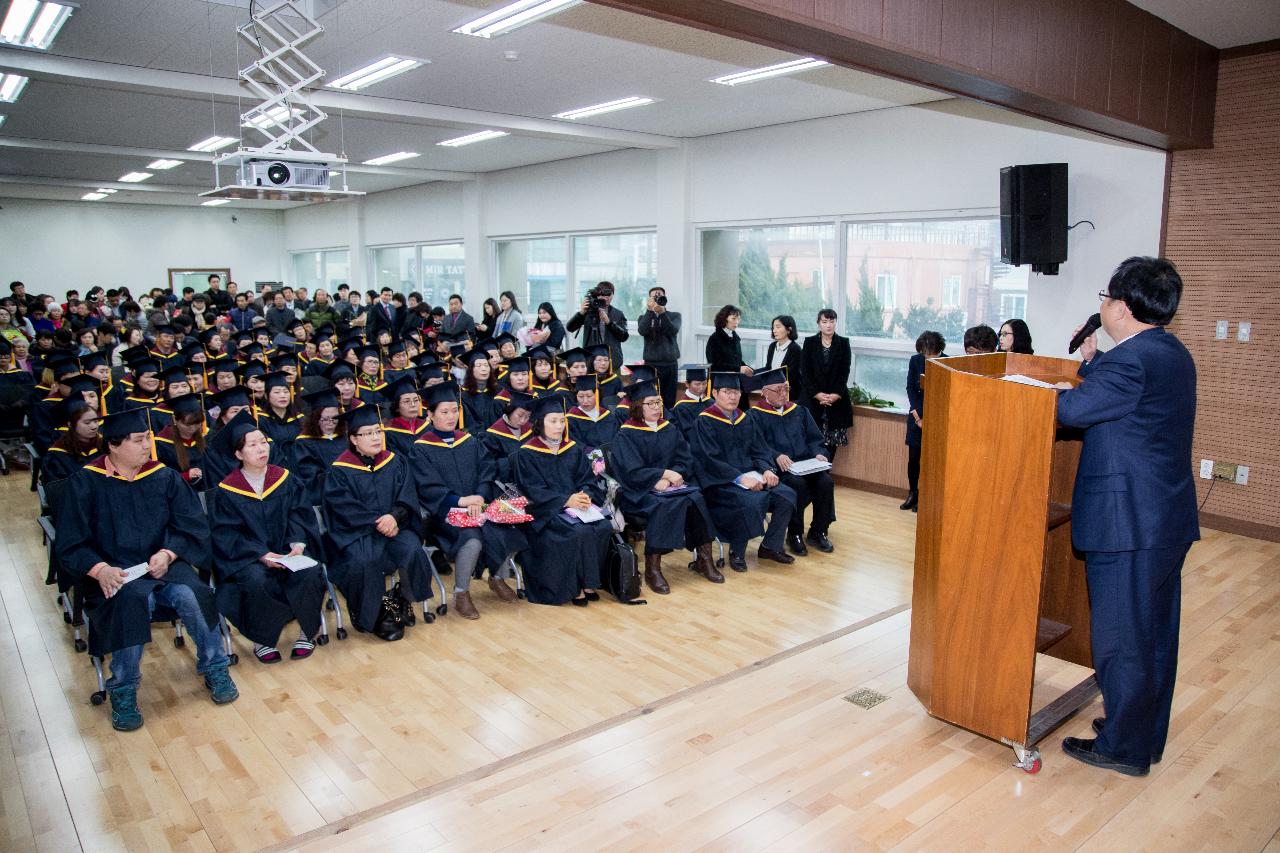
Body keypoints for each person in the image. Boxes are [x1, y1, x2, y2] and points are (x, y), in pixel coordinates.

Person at [1055, 257, 1198, 777]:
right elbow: (1118, 402)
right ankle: (1143, 732)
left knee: (1121, 638)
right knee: (1154, 634)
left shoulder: (1131, 360)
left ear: (1118, 305)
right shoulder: (1170, 353)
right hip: (1162, 520)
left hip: (1128, 525)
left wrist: (1049, 392)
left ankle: (1124, 748)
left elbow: (1070, 413)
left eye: (1104, 296)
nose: (1101, 305)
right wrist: (1091, 361)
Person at [55, 407, 237, 731]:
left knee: (194, 593)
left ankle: (215, 666)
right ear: (113, 444)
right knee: (130, 602)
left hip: (162, 566)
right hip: (116, 574)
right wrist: (100, 570)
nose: (146, 447)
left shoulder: (162, 476)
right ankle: (123, 689)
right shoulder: (85, 482)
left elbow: (190, 524)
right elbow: (71, 543)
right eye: (138, 440)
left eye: (147, 439)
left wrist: (168, 553)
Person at [210, 410, 326, 664]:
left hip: (288, 551)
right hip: (249, 557)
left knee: (309, 570)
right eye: (252, 445)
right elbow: (227, 535)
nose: (262, 448)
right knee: (255, 579)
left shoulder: (285, 479)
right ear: (238, 454)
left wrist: (297, 544)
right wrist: (261, 555)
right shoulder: (227, 491)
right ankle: (264, 639)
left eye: (263, 442)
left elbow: (300, 514)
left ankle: (307, 633)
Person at [412, 382, 526, 619]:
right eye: (444, 412)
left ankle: (497, 578)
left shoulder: (470, 441)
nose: (451, 416)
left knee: (507, 526)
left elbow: (487, 471)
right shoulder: (420, 449)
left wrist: (480, 497)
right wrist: (461, 501)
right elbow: (427, 486)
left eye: (455, 410)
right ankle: (461, 593)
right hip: (444, 513)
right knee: (472, 540)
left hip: (477, 505)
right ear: (430, 415)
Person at [323, 405, 431, 640]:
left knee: (413, 551)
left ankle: (402, 599)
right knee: (363, 560)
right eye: (368, 433)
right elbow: (343, 508)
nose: (375, 437)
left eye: (378, 431)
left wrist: (394, 517)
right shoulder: (339, 470)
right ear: (353, 439)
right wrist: (377, 522)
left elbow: (407, 495)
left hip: (396, 525)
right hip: (359, 532)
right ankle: (371, 615)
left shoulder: (395, 461)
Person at [610, 380, 720, 591]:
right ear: (637, 407)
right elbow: (630, 471)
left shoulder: (669, 429)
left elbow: (685, 460)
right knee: (663, 506)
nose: (656, 408)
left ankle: (704, 559)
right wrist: (658, 476)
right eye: (650, 403)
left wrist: (670, 476)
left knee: (696, 498)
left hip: (670, 487)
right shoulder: (626, 434)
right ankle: (653, 568)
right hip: (638, 493)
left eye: (658, 402)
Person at [689, 373, 797, 571]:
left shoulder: (745, 419)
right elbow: (709, 460)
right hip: (720, 483)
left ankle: (769, 547)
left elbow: (760, 450)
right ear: (714, 393)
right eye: (727, 392)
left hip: (752, 478)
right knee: (751, 500)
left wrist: (767, 470)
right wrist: (740, 478)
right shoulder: (704, 422)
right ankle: (737, 551)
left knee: (787, 495)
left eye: (736, 392)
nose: (732, 397)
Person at [512, 394, 612, 606]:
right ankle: (573, 586)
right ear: (540, 423)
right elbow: (532, 492)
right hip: (544, 514)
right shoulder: (527, 454)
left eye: (562, 420)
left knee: (603, 526)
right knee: (578, 532)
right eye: (553, 421)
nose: (559, 426)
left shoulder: (572, 449)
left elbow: (587, 479)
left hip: (576, 508)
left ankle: (588, 582)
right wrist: (566, 500)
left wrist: (585, 495)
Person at [748, 368, 836, 555]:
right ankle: (794, 534)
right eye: (777, 390)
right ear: (764, 392)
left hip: (806, 465)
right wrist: (776, 455)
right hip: (780, 469)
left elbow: (814, 439)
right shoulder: (754, 416)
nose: (783, 393)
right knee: (798, 485)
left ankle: (818, 531)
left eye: (785, 388)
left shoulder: (800, 411)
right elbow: (755, 446)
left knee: (826, 482)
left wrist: (819, 453)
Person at [799, 308, 853, 463]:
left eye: (832, 321)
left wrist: (835, 394)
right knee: (810, 439)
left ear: (836, 322)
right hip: (812, 398)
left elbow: (844, 371)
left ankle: (826, 474)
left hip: (836, 400)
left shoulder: (843, 343)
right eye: (824, 321)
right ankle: (812, 477)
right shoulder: (809, 343)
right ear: (818, 323)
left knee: (831, 442)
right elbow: (805, 371)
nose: (828, 325)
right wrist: (817, 394)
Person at [902, 330, 945, 513]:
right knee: (914, 459)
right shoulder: (915, 360)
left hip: (936, 418)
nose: (927, 358)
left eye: (930, 354)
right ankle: (913, 493)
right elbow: (911, 388)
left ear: (939, 350)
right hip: (916, 417)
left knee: (931, 460)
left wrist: (929, 418)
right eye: (924, 354)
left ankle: (926, 497)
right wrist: (919, 416)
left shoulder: (947, 363)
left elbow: (942, 394)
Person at [291, 388, 347, 506]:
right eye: (325, 419)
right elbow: (311, 477)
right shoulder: (304, 443)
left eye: (335, 418)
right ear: (315, 418)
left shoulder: (346, 437)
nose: (330, 422)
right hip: (325, 500)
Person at [566, 281, 629, 371]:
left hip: (612, 362)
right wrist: (581, 313)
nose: (605, 298)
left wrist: (609, 323)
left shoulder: (618, 314)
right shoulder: (588, 311)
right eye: (602, 295)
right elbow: (570, 328)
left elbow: (624, 337)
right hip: (591, 361)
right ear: (597, 295)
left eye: (608, 295)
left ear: (613, 295)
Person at [153, 393, 209, 490]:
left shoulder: (208, 436)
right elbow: (159, 478)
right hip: (179, 494)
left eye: (197, 424)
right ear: (175, 419)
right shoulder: (161, 444)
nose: (192, 429)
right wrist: (185, 476)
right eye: (187, 425)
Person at [636, 286, 681, 408]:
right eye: (653, 296)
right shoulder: (643, 317)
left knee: (669, 398)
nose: (656, 298)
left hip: (670, 363)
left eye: (659, 295)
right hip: (651, 364)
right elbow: (642, 331)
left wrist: (662, 313)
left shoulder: (675, 316)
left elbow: (672, 331)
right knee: (652, 397)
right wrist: (650, 311)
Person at [42, 397, 103, 484]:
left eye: (96, 421)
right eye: (87, 422)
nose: (94, 426)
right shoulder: (57, 455)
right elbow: (58, 491)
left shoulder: (104, 445)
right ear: (71, 424)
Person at [483, 391, 535, 482]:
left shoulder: (532, 430)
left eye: (527, 416)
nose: (523, 420)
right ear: (510, 410)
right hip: (507, 485)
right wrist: (513, 460)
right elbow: (489, 466)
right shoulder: (492, 435)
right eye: (520, 415)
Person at [565, 375, 618, 452]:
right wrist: (593, 453)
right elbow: (574, 443)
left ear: (597, 395)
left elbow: (615, 438)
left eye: (589, 396)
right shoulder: (571, 419)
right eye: (581, 396)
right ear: (576, 396)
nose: (585, 401)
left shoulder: (607, 415)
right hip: (586, 459)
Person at [382, 374, 428, 455]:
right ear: (397, 407)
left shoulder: (427, 426)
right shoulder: (389, 434)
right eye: (407, 401)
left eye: (416, 400)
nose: (413, 404)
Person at [705, 305, 751, 375]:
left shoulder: (735, 338)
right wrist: (738, 369)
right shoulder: (714, 339)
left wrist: (748, 368)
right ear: (724, 319)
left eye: (738, 319)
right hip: (720, 381)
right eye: (733, 318)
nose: (737, 322)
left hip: (735, 379)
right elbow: (714, 365)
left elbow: (736, 361)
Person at [764, 315, 802, 379]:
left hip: (789, 387)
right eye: (773, 327)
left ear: (789, 330)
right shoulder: (772, 346)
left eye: (778, 327)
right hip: (772, 386)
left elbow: (791, 376)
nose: (774, 330)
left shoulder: (796, 349)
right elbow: (768, 369)